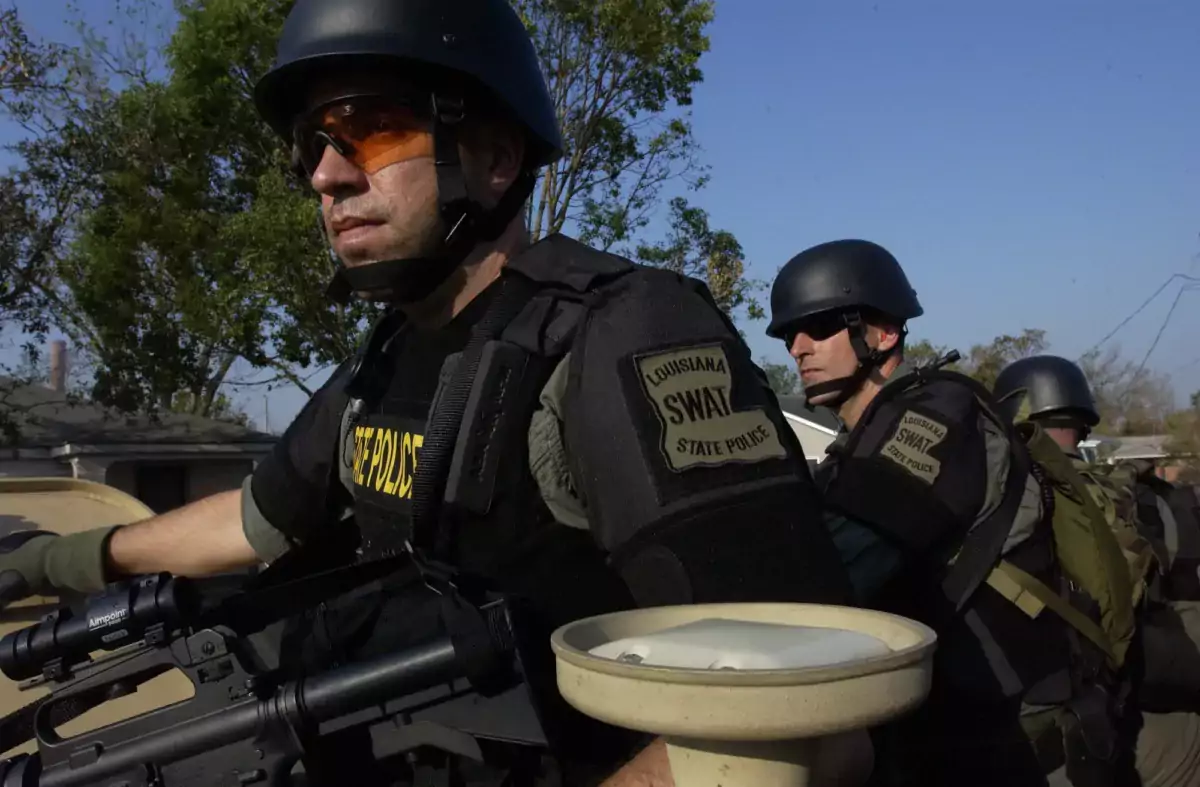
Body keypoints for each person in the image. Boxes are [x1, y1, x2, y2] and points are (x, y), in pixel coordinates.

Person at [0, 0, 855, 784]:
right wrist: (55, 559)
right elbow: (252, 520)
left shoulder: (622, 333)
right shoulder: (390, 356)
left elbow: (791, 691)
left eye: (368, 129)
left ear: (495, 158)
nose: (327, 177)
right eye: (312, 145)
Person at [766, 238, 1141, 786]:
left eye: (819, 327)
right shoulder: (865, 436)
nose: (797, 347)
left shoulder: (936, 416)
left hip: (1016, 738)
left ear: (884, 333)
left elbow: (834, 568)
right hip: (958, 728)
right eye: (788, 335)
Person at [994, 355, 1200, 787]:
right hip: (1157, 718)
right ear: (1083, 420)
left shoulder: (1005, 507)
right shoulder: (1150, 499)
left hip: (1060, 734)